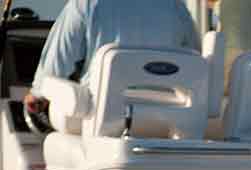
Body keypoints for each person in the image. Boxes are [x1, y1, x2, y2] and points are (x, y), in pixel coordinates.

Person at [25, 0, 199, 114]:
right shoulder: (176, 7)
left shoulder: (85, 4)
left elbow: (55, 68)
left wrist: (37, 95)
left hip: (102, 119)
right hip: (164, 119)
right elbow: (194, 59)